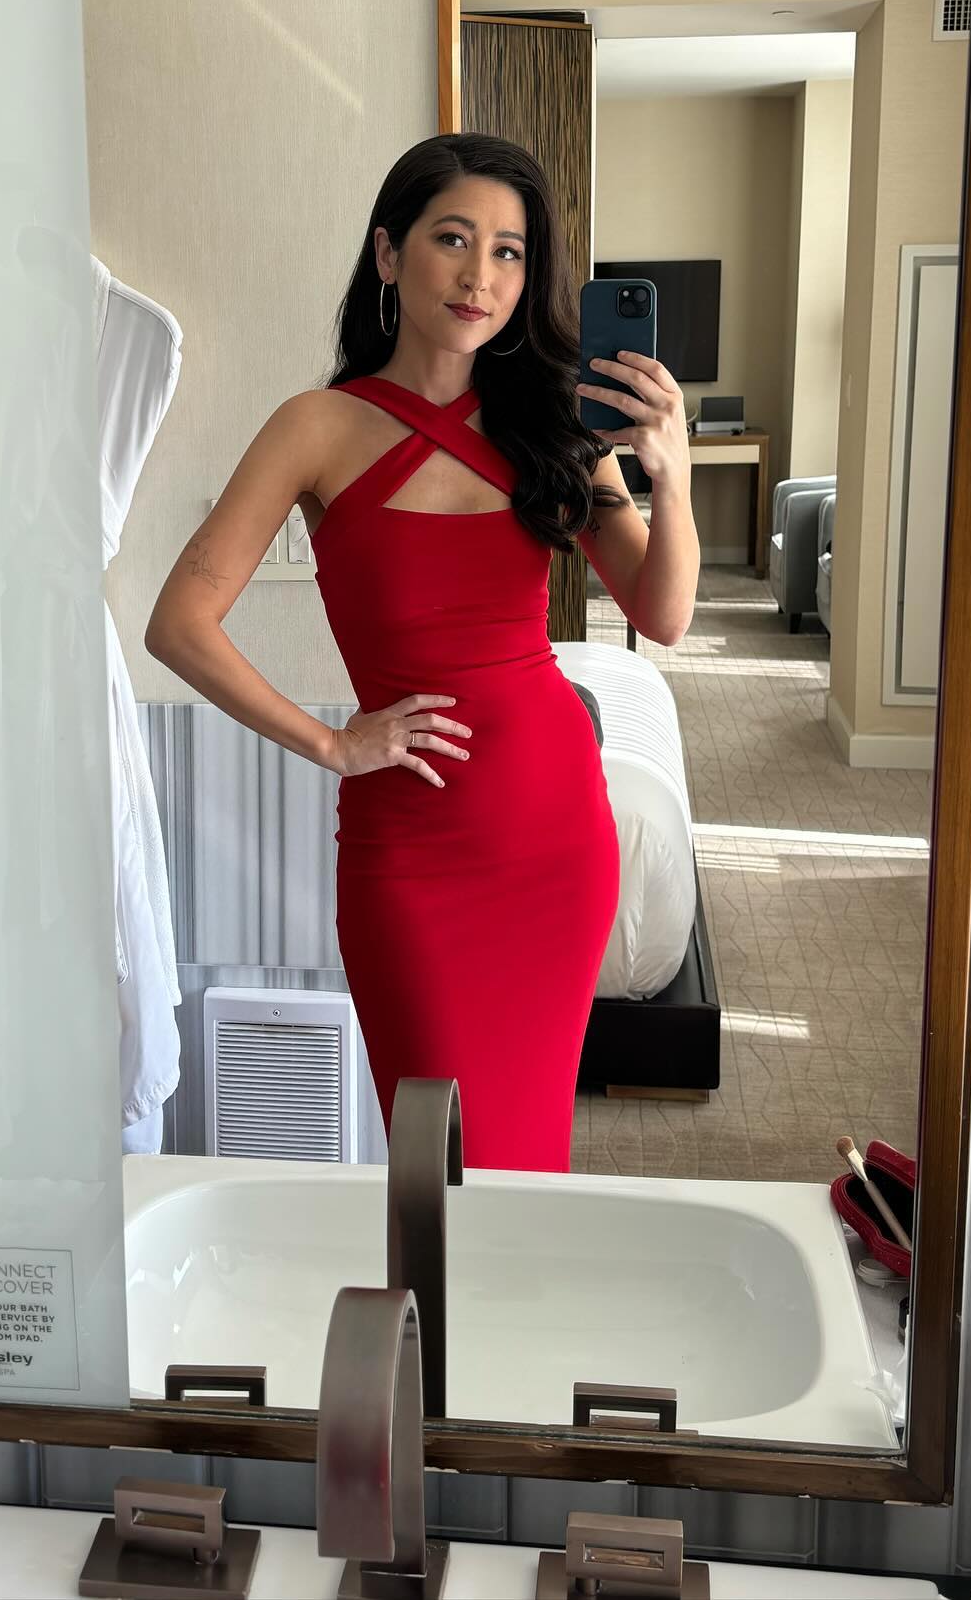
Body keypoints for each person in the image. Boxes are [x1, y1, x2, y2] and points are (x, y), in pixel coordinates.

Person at [145, 132, 698, 1171]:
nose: (481, 274)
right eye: (454, 239)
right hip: (412, 851)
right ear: (389, 253)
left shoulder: (554, 427)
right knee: (438, 1161)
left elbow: (662, 612)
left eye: (509, 252)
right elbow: (178, 621)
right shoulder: (316, 426)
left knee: (529, 1157)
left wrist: (669, 475)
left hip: (554, 832)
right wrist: (331, 743)